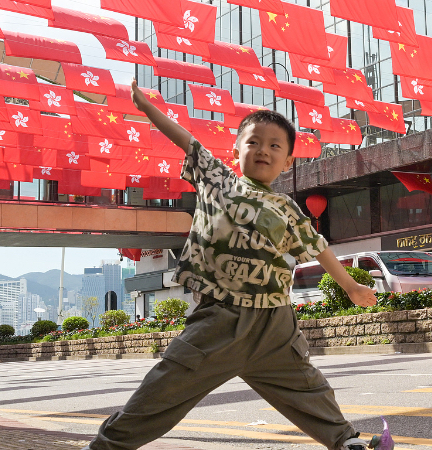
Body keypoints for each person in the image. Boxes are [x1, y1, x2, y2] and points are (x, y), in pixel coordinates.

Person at [87, 80, 380, 450]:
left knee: (308, 388)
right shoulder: (218, 181)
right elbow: (187, 141)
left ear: (288, 161)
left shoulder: (287, 208)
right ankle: (106, 446)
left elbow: (318, 248)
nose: (263, 150)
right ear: (236, 148)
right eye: (254, 142)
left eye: (275, 145)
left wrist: (351, 286)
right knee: (161, 390)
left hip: (275, 326)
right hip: (219, 322)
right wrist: (147, 109)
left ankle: (345, 441)